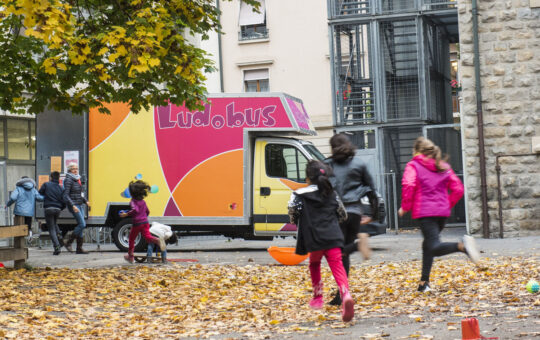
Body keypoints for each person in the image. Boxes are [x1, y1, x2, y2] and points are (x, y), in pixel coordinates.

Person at [398, 136, 479, 293]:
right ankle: (423, 283)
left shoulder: (413, 165)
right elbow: (458, 189)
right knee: (428, 245)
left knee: (434, 246)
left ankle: (462, 246)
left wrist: (405, 207)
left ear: (416, 151)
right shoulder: (443, 166)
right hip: (441, 213)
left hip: (425, 212)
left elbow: (409, 185)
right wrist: (447, 204)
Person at [288, 160, 354, 322]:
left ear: (307, 177)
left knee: (314, 264)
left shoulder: (299, 194)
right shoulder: (331, 193)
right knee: (337, 266)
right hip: (333, 237)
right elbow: (342, 214)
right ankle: (345, 294)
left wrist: (294, 220)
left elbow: (292, 210)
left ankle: (318, 296)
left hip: (314, 238)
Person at [325, 133, 378, 305]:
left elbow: (322, 192)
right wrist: (374, 215)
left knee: (336, 254)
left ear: (333, 147)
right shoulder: (359, 164)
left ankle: (358, 244)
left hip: (336, 214)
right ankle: (342, 294)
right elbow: (372, 190)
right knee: (343, 254)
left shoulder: (327, 165)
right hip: (355, 213)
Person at [120, 180, 165, 263]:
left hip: (137, 223)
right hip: (145, 222)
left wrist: (126, 214)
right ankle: (157, 240)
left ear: (132, 193)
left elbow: (135, 210)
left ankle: (130, 256)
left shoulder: (133, 201)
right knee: (148, 236)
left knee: (131, 239)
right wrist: (143, 217)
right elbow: (147, 212)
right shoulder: (143, 202)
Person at [63, 163, 91, 254]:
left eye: (76, 169)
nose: (75, 170)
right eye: (73, 169)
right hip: (74, 205)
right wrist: (73, 205)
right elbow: (66, 195)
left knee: (81, 225)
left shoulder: (77, 179)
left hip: (79, 204)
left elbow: (80, 194)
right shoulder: (68, 180)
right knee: (82, 224)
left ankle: (79, 248)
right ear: (69, 170)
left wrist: (85, 201)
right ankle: (68, 242)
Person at [38, 171, 65, 255]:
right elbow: (64, 201)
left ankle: (57, 247)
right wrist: (60, 208)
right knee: (54, 223)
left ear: (51, 177)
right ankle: (60, 236)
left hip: (48, 208)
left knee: (51, 228)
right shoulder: (61, 188)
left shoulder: (46, 185)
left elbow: (40, 193)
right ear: (59, 178)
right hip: (57, 209)